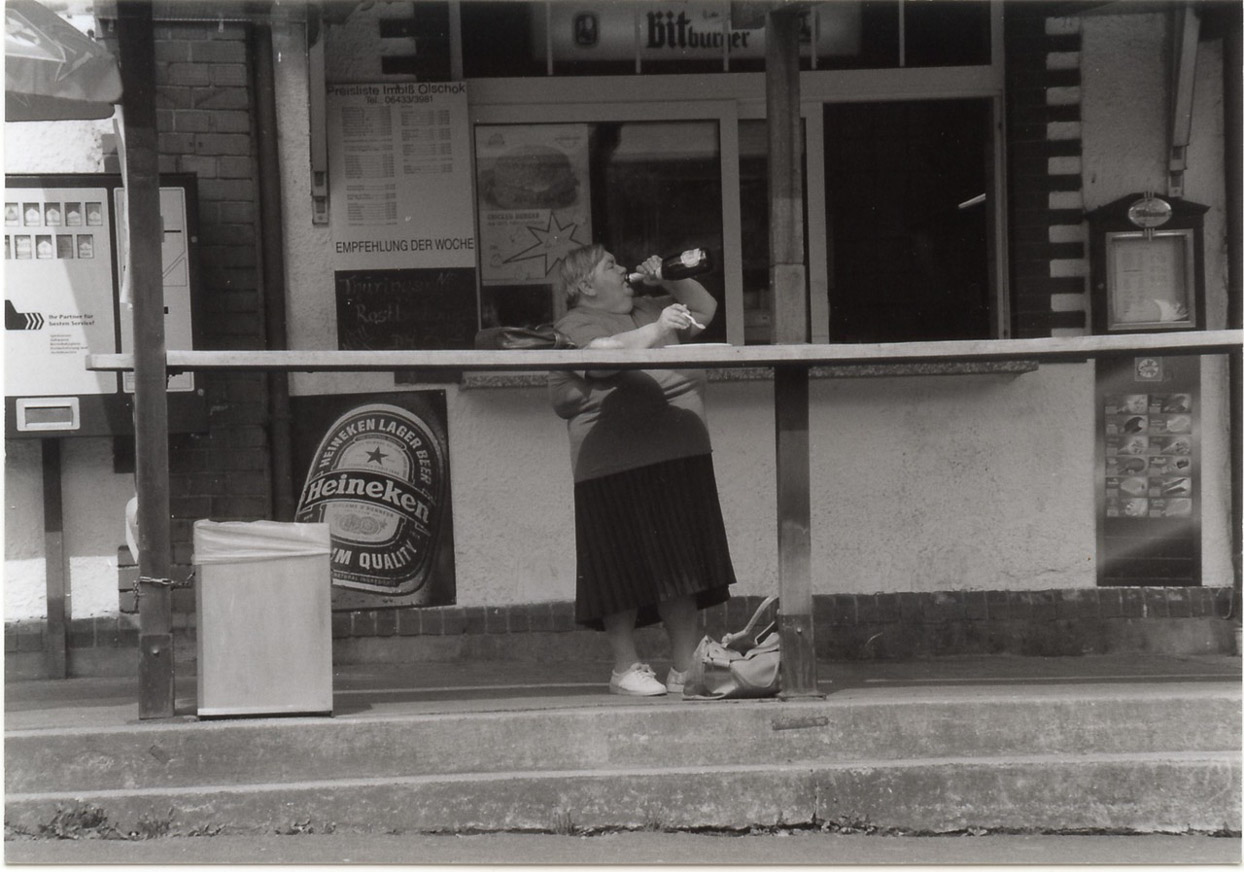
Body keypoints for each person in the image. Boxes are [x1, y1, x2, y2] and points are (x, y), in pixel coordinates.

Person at [548, 244, 737, 696]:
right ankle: (625, 666)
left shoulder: (651, 305)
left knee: (682, 566)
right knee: (619, 568)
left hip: (679, 452)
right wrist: (657, 329)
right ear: (586, 285)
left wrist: (667, 280)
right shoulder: (575, 323)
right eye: (611, 265)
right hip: (612, 462)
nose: (624, 269)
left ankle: (683, 666)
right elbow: (603, 355)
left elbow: (704, 308)